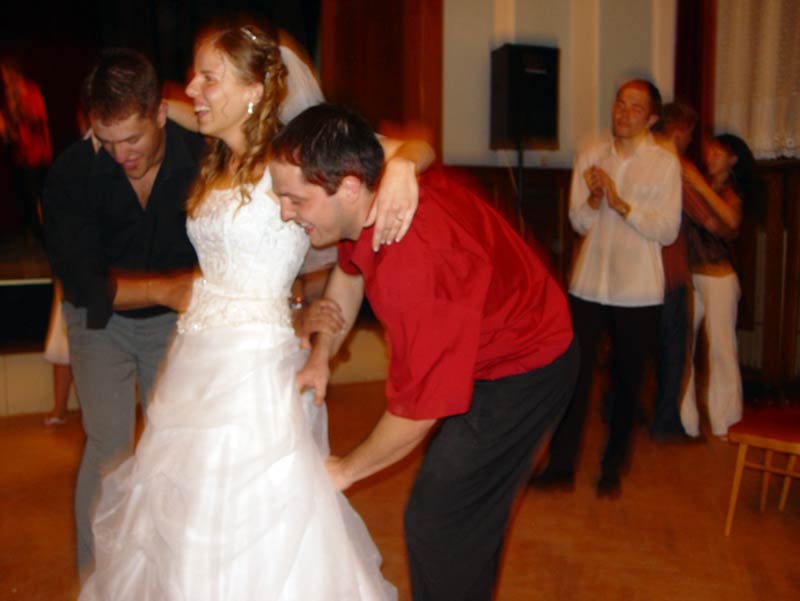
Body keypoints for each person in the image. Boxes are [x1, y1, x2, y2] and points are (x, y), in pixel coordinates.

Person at [78, 20, 433, 600]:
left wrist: (401, 168)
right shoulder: (219, 157)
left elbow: (417, 148)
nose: (193, 89)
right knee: (181, 514)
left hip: (254, 370)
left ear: (253, 90)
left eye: (208, 78)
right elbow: (173, 110)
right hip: (196, 359)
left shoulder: (295, 156)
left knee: (249, 516)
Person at [270, 103, 578, 601]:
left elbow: (419, 411)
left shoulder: (416, 263)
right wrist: (322, 353)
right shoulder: (369, 198)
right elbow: (349, 272)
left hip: (526, 364)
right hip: (483, 345)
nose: (285, 211)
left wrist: (344, 470)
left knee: (439, 519)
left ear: (348, 188)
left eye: (295, 199)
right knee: (459, 516)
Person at [532, 79, 682, 497]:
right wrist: (596, 200)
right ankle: (561, 467)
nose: (623, 113)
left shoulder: (664, 164)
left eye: (635, 107)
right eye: (620, 103)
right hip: (589, 283)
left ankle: (612, 468)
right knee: (572, 377)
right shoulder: (591, 154)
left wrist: (620, 203)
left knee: (626, 382)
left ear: (651, 118)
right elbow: (579, 222)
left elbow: (667, 230)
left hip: (638, 290)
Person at [679, 133, 753, 438]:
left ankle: (727, 421)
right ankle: (685, 420)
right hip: (690, 275)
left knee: (721, 348)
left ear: (732, 160)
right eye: (710, 151)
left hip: (720, 277)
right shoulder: (698, 185)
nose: (710, 156)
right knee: (682, 345)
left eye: (718, 153)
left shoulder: (732, 192)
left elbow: (731, 221)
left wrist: (699, 184)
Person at [648, 101, 699, 441]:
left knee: (638, 348)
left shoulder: (642, 160)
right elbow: (706, 216)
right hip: (670, 270)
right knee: (673, 351)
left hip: (640, 273)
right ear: (679, 131)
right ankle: (665, 421)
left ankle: (622, 410)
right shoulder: (674, 167)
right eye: (689, 133)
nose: (690, 140)